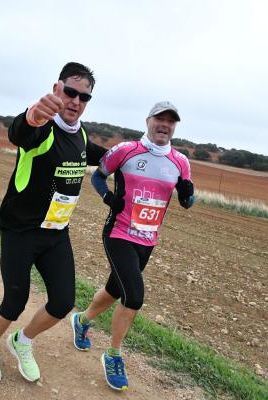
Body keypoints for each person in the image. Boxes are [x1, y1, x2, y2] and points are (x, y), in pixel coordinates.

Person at [0, 62, 107, 383]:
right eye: (71, 92)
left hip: (56, 233)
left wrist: (138, 159)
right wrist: (32, 116)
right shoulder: (42, 128)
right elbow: (21, 131)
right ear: (57, 88)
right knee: (15, 300)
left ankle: (23, 341)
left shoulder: (81, 135)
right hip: (20, 230)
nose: (76, 101)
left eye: (84, 97)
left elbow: (103, 155)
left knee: (63, 302)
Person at [70, 101, 195, 391]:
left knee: (116, 289)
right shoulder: (125, 151)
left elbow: (187, 201)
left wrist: (188, 195)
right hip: (119, 232)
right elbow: (99, 176)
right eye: (159, 119)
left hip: (147, 240)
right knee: (134, 296)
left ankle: (82, 320)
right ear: (148, 120)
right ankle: (113, 354)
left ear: (175, 126)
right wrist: (107, 197)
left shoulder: (181, 162)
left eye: (170, 121)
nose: (164, 125)